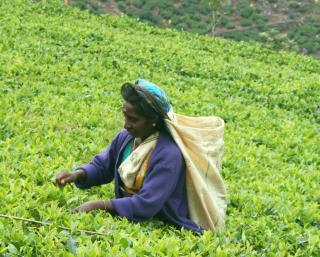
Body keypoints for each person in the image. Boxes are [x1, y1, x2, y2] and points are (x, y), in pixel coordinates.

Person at [55, 79, 202, 233]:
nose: (126, 124)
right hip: (127, 214)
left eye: (133, 120)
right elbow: (103, 166)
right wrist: (77, 175)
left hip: (162, 223)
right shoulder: (126, 137)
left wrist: (99, 205)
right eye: (125, 116)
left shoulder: (168, 155)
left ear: (153, 120)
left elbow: (146, 204)